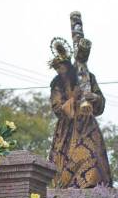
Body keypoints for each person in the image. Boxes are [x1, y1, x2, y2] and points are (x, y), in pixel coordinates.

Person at [47, 40, 111, 188]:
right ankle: (64, 188)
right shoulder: (57, 84)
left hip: (87, 124)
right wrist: (73, 99)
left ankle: (93, 188)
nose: (59, 71)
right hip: (67, 130)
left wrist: (94, 98)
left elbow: (100, 100)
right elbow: (57, 108)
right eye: (56, 68)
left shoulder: (87, 76)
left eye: (61, 67)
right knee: (63, 159)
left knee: (92, 153)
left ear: (68, 66)